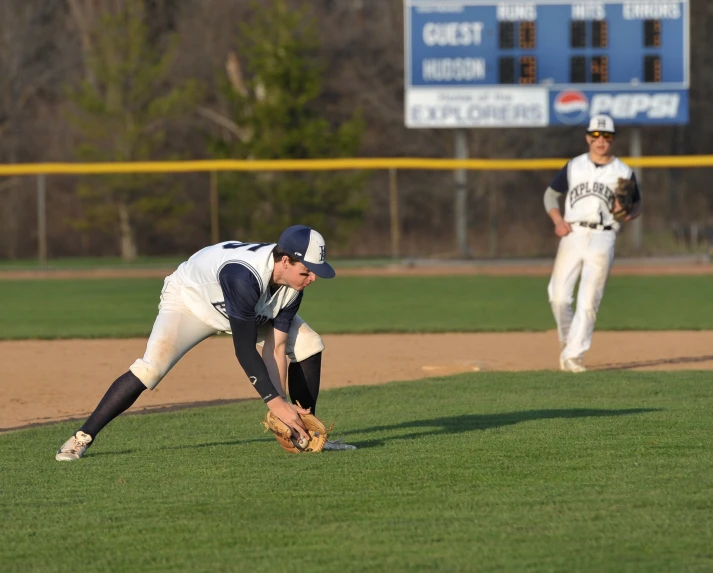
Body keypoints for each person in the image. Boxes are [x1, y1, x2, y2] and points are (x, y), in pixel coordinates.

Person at [55, 225, 356, 460]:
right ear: (286, 260)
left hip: (251, 307)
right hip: (191, 302)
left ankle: (307, 436)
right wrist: (275, 402)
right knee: (151, 369)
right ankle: (81, 437)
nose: (312, 278)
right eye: (307, 271)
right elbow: (244, 348)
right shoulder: (243, 275)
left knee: (308, 345)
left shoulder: (293, 284)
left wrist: (284, 408)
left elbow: (275, 348)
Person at [544, 114, 642, 373]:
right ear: (588, 137)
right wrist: (557, 220)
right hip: (572, 234)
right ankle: (568, 341)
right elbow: (550, 195)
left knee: (589, 302)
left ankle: (574, 355)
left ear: (613, 139)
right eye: (596, 135)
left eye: (606, 136)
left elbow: (637, 205)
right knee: (558, 297)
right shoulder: (574, 166)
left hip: (603, 236)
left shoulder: (623, 171)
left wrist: (628, 212)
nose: (601, 141)